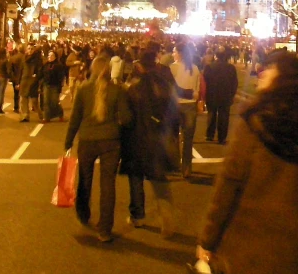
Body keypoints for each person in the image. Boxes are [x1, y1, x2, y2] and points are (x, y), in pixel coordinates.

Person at [197, 51, 298, 274]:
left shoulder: (255, 122)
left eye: (270, 69)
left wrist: (208, 240)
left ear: (284, 80)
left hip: (248, 250)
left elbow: (228, 185)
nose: (262, 72)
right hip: (293, 250)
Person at [64, 55, 132, 243]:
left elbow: (75, 118)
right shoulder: (118, 90)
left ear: (93, 69)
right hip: (111, 141)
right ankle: (105, 229)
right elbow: (126, 119)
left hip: (88, 139)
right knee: (108, 185)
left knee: (85, 179)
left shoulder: (84, 89)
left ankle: (83, 213)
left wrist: (68, 141)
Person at [121, 51, 179, 237]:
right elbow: (173, 112)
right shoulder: (163, 86)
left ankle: (138, 216)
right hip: (157, 139)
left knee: (136, 178)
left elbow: (127, 117)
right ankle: (167, 220)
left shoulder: (133, 89)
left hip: (137, 139)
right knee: (159, 181)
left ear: (140, 67)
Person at [170, 42, 201, 179]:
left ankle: (175, 164)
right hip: (190, 106)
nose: (173, 54)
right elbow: (197, 90)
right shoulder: (195, 68)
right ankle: (187, 168)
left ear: (180, 53)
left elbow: (171, 88)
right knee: (188, 139)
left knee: (174, 137)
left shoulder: (173, 68)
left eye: (174, 51)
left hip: (176, 104)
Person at [203, 49, 238, 144]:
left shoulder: (209, 66)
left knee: (211, 114)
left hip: (212, 94)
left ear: (216, 56)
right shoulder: (231, 68)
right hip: (225, 95)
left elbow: (204, 81)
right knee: (224, 116)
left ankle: (210, 135)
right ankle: (222, 137)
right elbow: (234, 83)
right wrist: (232, 94)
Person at [19, 45, 43, 122]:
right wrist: (18, 81)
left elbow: (40, 70)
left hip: (33, 81)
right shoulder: (23, 58)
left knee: (34, 101)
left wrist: (37, 76)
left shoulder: (37, 59)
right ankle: (25, 116)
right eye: (28, 48)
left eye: (32, 49)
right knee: (24, 99)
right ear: (26, 50)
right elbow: (20, 70)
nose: (30, 50)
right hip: (24, 80)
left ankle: (40, 115)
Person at [41, 50, 66, 122]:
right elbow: (41, 74)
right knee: (46, 101)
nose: (50, 57)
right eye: (49, 55)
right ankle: (46, 117)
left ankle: (60, 114)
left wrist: (60, 86)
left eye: (52, 56)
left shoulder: (59, 65)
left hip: (55, 86)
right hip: (46, 85)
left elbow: (61, 77)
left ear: (55, 57)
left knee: (54, 102)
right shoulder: (45, 65)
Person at [9, 46, 25, 114]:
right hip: (23, 78)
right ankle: (24, 108)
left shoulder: (12, 58)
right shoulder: (25, 58)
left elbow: (10, 70)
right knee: (24, 94)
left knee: (16, 94)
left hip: (15, 78)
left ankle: (16, 107)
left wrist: (13, 77)